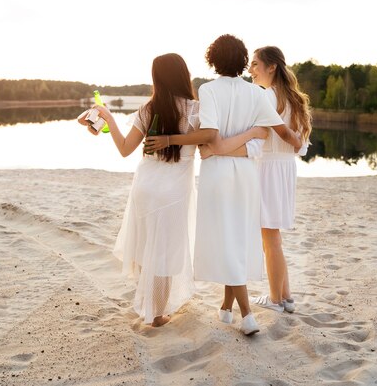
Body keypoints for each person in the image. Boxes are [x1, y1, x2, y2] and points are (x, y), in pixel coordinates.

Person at [145, 35, 302, 335]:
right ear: (243, 60)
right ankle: (226, 308)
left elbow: (212, 138)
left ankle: (247, 315)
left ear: (213, 60)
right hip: (245, 173)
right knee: (238, 237)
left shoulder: (210, 89)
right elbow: (274, 133)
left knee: (228, 239)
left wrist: (210, 147)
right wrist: (289, 140)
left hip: (217, 173)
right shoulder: (256, 93)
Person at [79, 53, 198, 327]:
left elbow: (124, 150)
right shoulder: (195, 110)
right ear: (184, 75)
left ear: (156, 78)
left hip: (146, 185)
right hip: (174, 190)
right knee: (165, 251)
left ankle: (149, 306)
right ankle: (157, 314)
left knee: (147, 247)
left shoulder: (147, 109)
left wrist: (108, 119)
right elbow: (209, 145)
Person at [203, 46, 312, 313]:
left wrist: (222, 147)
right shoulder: (294, 99)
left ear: (271, 67)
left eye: (255, 65)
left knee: (269, 238)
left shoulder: (268, 97)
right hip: (285, 168)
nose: (250, 70)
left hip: (269, 169)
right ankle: (286, 297)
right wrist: (295, 143)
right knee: (273, 236)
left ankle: (275, 299)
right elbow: (302, 145)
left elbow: (279, 135)